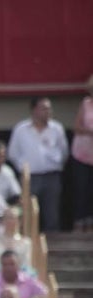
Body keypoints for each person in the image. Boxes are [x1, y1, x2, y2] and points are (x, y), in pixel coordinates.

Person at [8, 96, 68, 233]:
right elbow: (13, 153)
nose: (48, 112)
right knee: (28, 212)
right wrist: (23, 168)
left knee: (51, 212)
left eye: (49, 109)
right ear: (34, 110)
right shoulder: (21, 129)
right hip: (30, 178)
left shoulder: (56, 128)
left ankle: (53, 245)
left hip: (52, 176)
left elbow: (64, 151)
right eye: (44, 109)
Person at [73, 74, 93, 232]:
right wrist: (90, 131)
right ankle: (79, 223)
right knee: (82, 189)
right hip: (83, 155)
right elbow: (77, 127)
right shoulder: (85, 104)